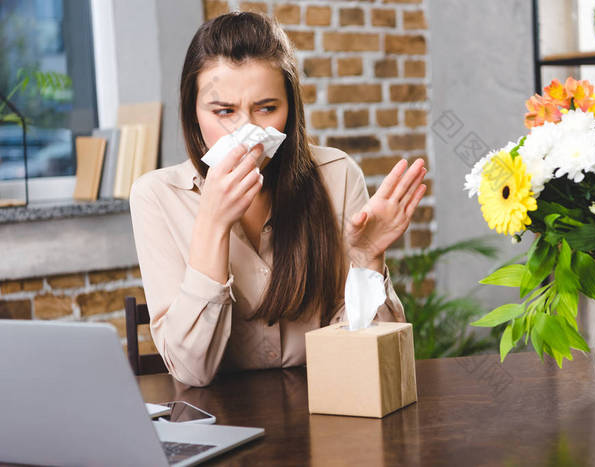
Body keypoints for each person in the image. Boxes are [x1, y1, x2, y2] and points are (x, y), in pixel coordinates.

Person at [129, 11, 427, 387]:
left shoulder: (337, 175)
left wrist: (367, 262)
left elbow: (367, 356)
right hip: (221, 421)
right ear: (193, 113)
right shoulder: (157, 196)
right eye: (223, 111)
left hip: (327, 408)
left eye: (266, 108)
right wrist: (213, 223)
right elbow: (192, 371)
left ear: (291, 109)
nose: (246, 131)